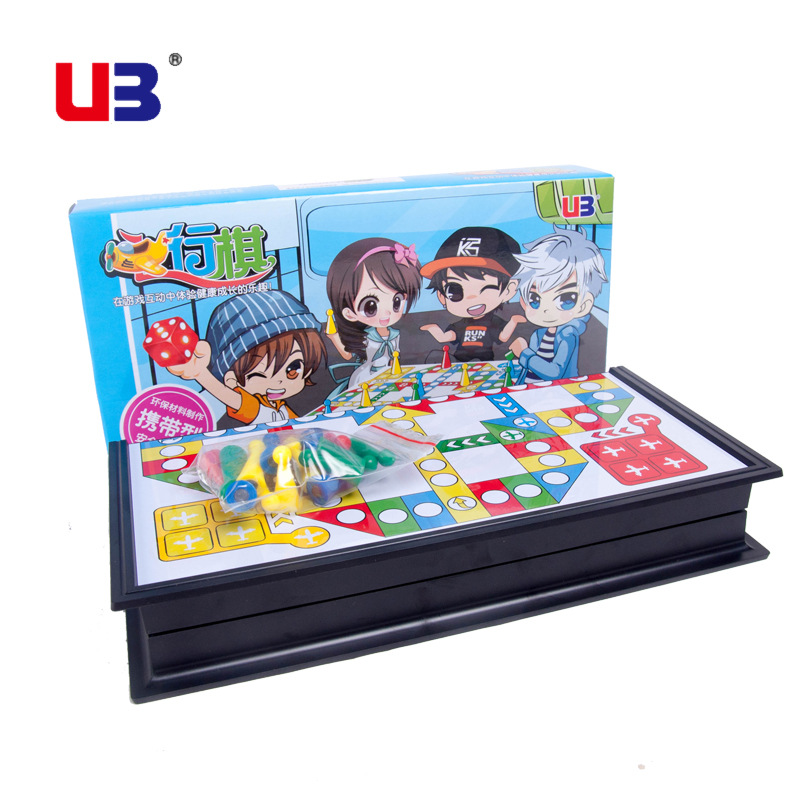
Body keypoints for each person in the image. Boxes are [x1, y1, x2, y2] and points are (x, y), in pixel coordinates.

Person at [168, 291, 326, 424]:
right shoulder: (256, 407)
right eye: (259, 375)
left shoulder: (279, 406)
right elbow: (229, 397)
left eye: (293, 369)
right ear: (232, 380)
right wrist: (201, 374)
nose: (279, 382)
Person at [509, 227, 608, 380]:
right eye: (535, 300)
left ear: (584, 305)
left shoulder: (568, 335)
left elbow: (554, 373)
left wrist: (524, 353)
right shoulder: (538, 335)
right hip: (529, 388)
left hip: (558, 391)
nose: (546, 310)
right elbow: (530, 369)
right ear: (524, 302)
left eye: (565, 300)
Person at [325, 237, 422, 389]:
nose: (386, 313)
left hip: (390, 375)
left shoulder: (394, 334)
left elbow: (394, 357)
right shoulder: (367, 336)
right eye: (370, 307)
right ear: (349, 313)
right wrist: (334, 337)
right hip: (367, 377)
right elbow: (347, 355)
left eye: (396, 301)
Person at [419, 226, 521, 361]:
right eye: (454, 290)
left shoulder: (494, 322)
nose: (471, 297)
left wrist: (513, 322)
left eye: (485, 288)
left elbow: (502, 337)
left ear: (508, 290)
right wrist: (434, 329)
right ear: (442, 297)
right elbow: (447, 337)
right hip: (461, 362)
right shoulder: (460, 324)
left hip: (485, 362)